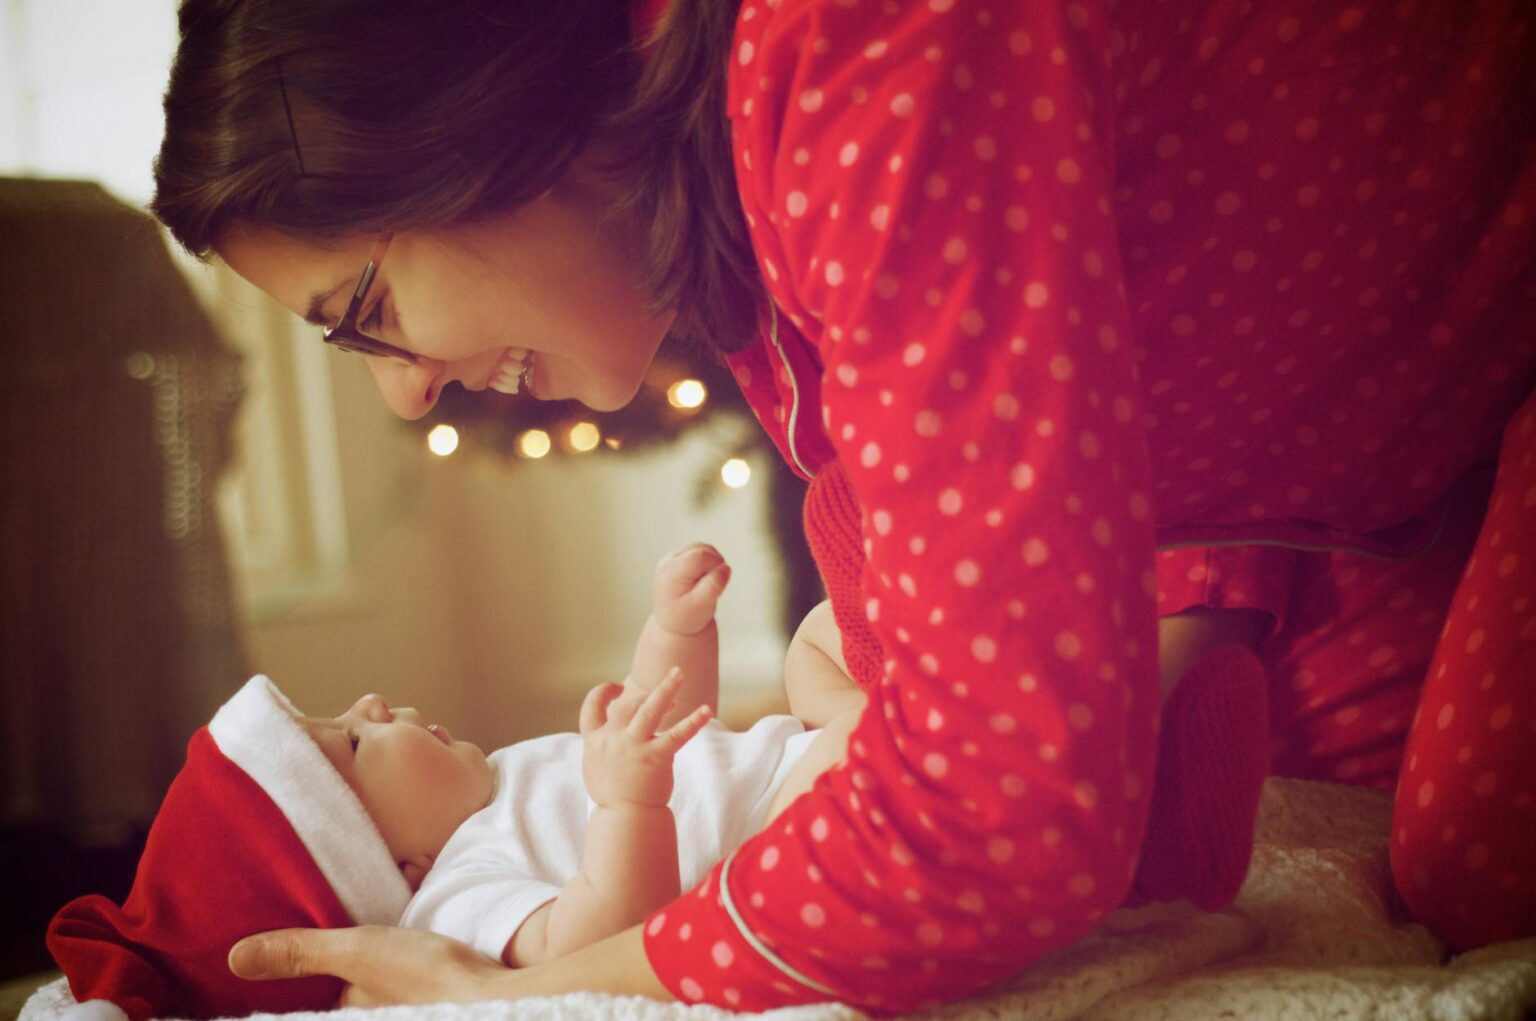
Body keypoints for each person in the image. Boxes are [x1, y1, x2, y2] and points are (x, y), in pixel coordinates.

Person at [149, 0, 1536, 1014]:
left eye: (369, 312)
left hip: (1427, 400)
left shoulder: (851, 50)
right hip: (1342, 479)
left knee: (1476, 874)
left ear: (459, 123)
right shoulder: (738, 215)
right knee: (1366, 855)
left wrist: (543, 991)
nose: (405, 399)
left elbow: (997, 815)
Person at [47, 543, 867, 1020]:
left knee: (817, 640)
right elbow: (598, 937)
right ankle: (919, 728)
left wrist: (672, 630)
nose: (370, 703)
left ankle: (911, 713)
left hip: (792, 755)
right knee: (862, 739)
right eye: (358, 742)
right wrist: (630, 801)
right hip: (781, 830)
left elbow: (665, 725)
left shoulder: (503, 783)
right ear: (387, 866)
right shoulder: (456, 897)